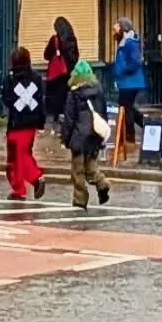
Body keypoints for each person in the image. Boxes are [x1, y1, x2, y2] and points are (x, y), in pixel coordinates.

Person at [59, 59, 111, 210]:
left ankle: (80, 200)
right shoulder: (98, 91)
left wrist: (65, 139)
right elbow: (103, 115)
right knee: (91, 166)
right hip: (94, 135)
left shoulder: (74, 94)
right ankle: (102, 183)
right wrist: (101, 136)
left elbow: (69, 119)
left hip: (78, 137)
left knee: (78, 171)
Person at [1, 46, 48, 202]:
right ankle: (22, 188)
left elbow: (7, 100)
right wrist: (41, 122)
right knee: (23, 154)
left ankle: (32, 180)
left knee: (15, 158)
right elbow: (41, 101)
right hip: (31, 124)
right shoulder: (36, 78)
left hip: (16, 124)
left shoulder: (10, 79)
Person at [111, 17, 146, 152]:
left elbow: (135, 62)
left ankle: (130, 138)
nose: (115, 29)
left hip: (130, 82)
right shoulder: (125, 42)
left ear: (123, 28)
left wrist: (122, 70)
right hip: (126, 82)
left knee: (125, 108)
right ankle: (147, 125)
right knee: (127, 107)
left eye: (117, 27)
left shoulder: (130, 42)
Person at [44, 16, 79, 127]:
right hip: (68, 73)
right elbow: (76, 56)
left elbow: (46, 55)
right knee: (67, 95)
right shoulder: (72, 39)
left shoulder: (54, 39)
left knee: (55, 95)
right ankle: (67, 116)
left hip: (56, 74)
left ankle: (56, 117)